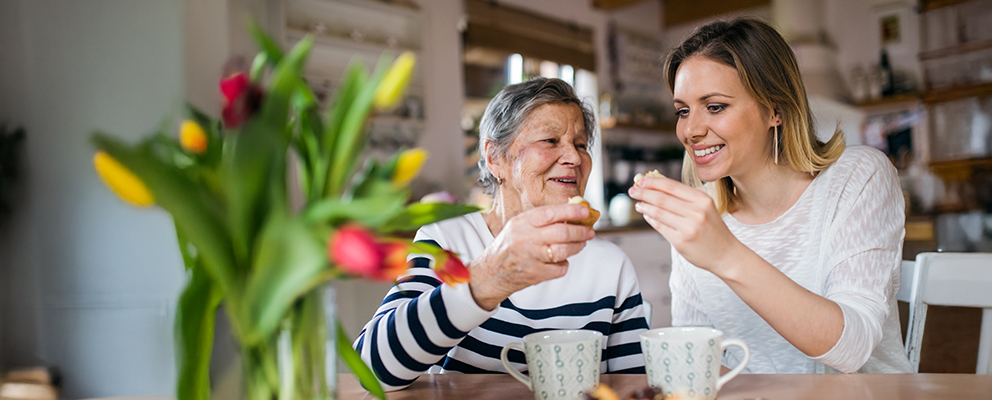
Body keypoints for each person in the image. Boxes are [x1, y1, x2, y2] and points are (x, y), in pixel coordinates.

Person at [628, 18, 912, 374]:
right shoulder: (702, 210)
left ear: (775, 110)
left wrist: (725, 254)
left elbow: (851, 349)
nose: (691, 130)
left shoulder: (857, 176)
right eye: (683, 110)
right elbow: (699, 357)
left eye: (715, 106)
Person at [356, 77, 649, 391]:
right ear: (496, 157)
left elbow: (635, 387)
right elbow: (371, 368)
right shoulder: (447, 241)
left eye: (580, 144)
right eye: (550, 140)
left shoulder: (610, 265)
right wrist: (487, 281)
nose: (574, 158)